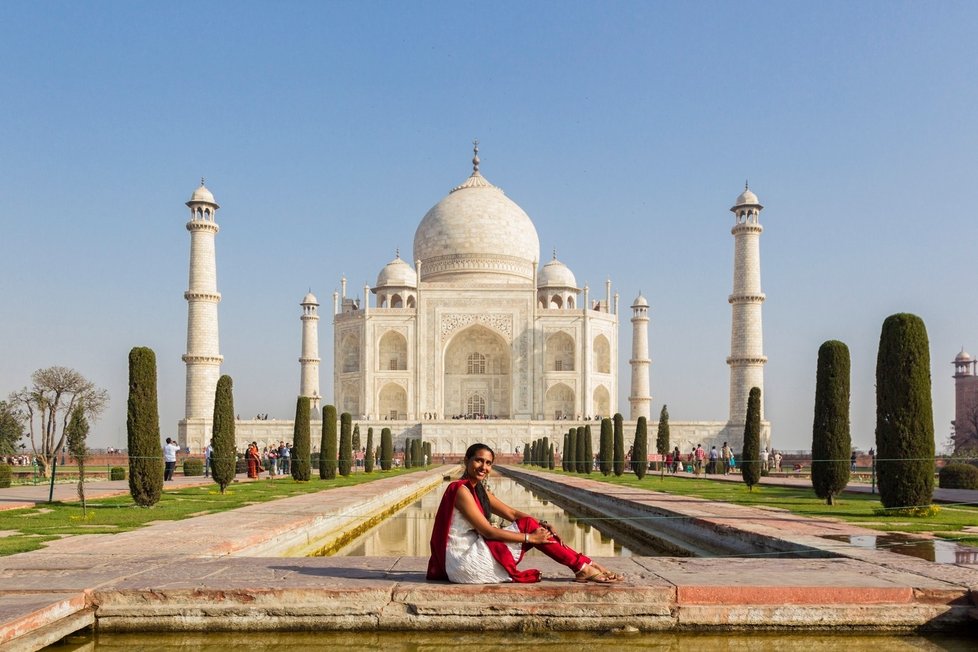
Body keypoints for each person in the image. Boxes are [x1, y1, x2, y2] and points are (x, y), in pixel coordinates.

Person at [427, 443, 623, 584]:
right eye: (479, 460)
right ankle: (583, 567)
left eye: (488, 463)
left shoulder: (478, 489)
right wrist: (531, 537)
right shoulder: (460, 489)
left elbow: (511, 513)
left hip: (472, 555)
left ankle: (585, 564)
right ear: (466, 460)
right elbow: (488, 532)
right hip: (465, 564)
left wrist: (542, 524)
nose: (483, 467)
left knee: (530, 522)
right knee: (529, 527)